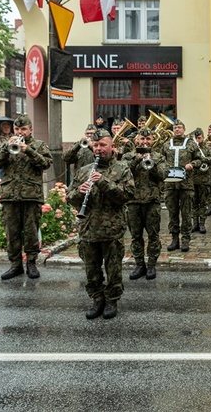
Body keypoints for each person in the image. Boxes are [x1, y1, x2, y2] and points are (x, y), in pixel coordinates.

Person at [67, 130, 135, 319]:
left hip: (112, 229)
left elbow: (127, 196)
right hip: (88, 228)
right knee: (92, 269)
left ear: (112, 146)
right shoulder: (84, 170)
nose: (98, 149)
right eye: (95, 145)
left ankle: (112, 300)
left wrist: (104, 182)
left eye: (103, 145)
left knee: (113, 268)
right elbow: (69, 198)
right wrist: (79, 192)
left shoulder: (122, 168)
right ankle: (97, 299)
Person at [0, 114, 53, 280]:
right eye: (17, 129)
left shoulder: (38, 145)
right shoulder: (7, 145)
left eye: (23, 129)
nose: (20, 132)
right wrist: (6, 148)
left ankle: (31, 263)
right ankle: (15, 265)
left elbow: (46, 163)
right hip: (10, 195)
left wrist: (29, 150)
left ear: (30, 130)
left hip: (31, 196)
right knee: (12, 232)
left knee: (31, 231)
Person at [123, 129, 168, 281]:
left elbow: (163, 175)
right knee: (136, 236)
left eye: (148, 139)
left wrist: (151, 163)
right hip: (133, 201)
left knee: (153, 236)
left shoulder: (159, 157)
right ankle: (139, 264)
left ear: (153, 140)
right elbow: (123, 172)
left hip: (152, 202)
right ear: (136, 140)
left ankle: (151, 265)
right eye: (142, 138)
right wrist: (137, 159)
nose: (145, 142)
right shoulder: (128, 156)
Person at [161, 120, 204, 252]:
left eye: (179, 127)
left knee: (186, 213)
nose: (177, 129)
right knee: (172, 213)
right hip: (170, 184)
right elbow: (160, 160)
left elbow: (200, 159)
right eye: (175, 127)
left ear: (184, 130)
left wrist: (193, 164)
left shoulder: (191, 144)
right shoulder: (167, 144)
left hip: (186, 184)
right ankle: (174, 239)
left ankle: (186, 239)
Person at [191, 128, 211, 234]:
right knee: (193, 203)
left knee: (203, 203)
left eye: (199, 138)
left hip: (204, 180)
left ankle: (202, 224)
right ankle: (195, 223)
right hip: (192, 180)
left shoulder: (207, 149)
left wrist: (203, 159)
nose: (197, 140)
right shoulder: (191, 149)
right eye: (196, 138)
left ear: (203, 137)